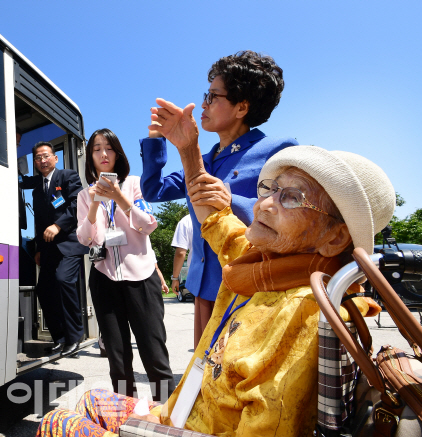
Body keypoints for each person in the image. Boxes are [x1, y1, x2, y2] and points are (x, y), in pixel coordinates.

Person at [36, 129, 393, 437]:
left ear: (334, 238)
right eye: (269, 188)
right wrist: (188, 148)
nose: (264, 203)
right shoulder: (261, 265)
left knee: (57, 422)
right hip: (181, 408)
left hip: (193, 427)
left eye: (292, 197)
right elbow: (217, 221)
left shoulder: (304, 312)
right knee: (92, 394)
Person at [140, 51, 298, 348]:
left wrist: (232, 200)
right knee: (205, 378)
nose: (203, 104)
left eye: (213, 96)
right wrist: (156, 140)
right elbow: (153, 190)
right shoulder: (205, 158)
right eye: (205, 94)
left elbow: (293, 216)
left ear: (242, 107)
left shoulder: (278, 150)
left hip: (249, 286)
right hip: (205, 286)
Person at [75, 128, 176, 403]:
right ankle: (126, 414)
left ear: (118, 153)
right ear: (90, 157)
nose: (103, 154)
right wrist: (96, 203)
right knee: (117, 358)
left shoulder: (134, 184)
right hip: (104, 278)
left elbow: (148, 225)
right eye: (96, 149)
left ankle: (167, 414)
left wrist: (119, 197)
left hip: (141, 276)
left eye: (108, 148)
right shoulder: (84, 196)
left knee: (154, 351)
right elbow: (86, 238)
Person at [20, 142, 88, 356]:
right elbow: (39, 223)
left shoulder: (68, 176)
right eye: (38, 158)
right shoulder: (37, 188)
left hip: (69, 243)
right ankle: (59, 337)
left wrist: (59, 225)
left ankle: (75, 336)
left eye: (46, 156)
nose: (42, 160)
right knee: (44, 290)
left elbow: (77, 204)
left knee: (63, 280)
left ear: (55, 158)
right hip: (48, 248)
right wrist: (38, 248)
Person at [171, 214, 193, 297]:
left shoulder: (186, 220)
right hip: (227, 269)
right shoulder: (229, 212)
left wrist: (175, 278)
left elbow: (180, 253)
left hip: (199, 275)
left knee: (205, 309)